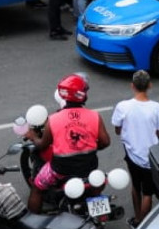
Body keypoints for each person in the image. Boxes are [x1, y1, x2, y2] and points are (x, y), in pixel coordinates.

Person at [25, 74, 111, 213]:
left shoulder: (53, 120)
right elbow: (105, 142)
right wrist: (91, 146)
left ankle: (32, 224)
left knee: (37, 188)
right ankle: (98, 212)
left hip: (60, 170)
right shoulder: (94, 116)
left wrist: (33, 136)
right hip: (89, 168)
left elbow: (42, 145)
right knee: (96, 189)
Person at [112, 70, 159, 227]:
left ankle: (137, 218)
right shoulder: (157, 107)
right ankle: (142, 225)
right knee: (147, 192)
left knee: (136, 186)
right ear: (149, 85)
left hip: (132, 154)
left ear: (132, 86)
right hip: (151, 156)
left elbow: (117, 129)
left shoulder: (123, 106)